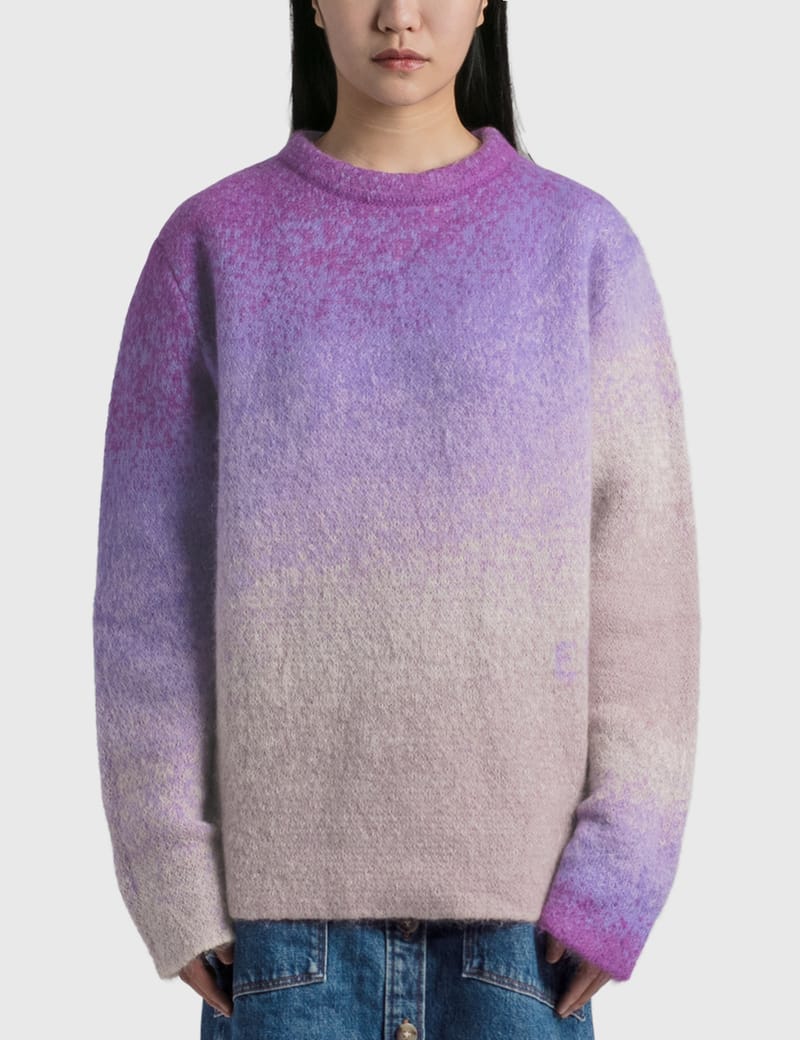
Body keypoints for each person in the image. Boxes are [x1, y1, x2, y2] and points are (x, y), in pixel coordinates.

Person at [91, 1, 701, 1037]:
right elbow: (148, 587)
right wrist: (167, 868)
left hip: (526, 934)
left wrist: (623, 870)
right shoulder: (212, 244)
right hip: (277, 937)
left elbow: (645, 582)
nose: (397, 15)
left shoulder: (579, 243)